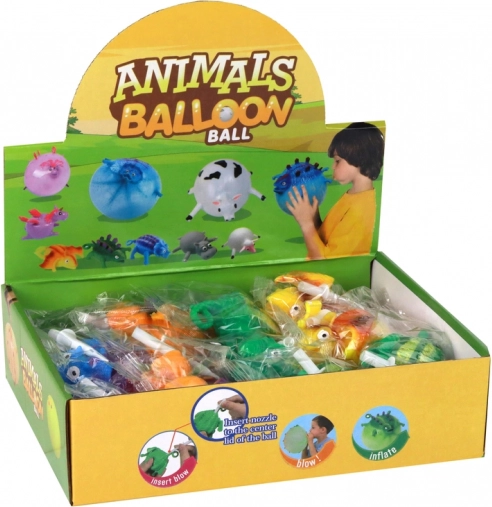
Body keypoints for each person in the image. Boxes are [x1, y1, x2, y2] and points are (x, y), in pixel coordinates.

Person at [286, 122, 384, 259]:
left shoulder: (361, 210)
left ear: (359, 158)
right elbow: (327, 240)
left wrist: (306, 224)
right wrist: (314, 218)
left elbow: (325, 260)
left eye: (337, 161)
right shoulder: (354, 196)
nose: (333, 167)